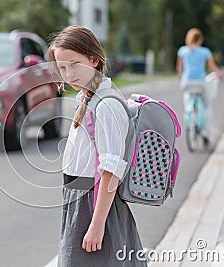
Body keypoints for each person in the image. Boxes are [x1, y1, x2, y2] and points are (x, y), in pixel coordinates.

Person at [48, 25, 147, 267]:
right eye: (62, 67)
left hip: (94, 205)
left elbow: (111, 169)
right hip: (80, 200)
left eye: (74, 64)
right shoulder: (87, 98)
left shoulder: (106, 105)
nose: (68, 73)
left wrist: (96, 224)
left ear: (94, 60)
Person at [176, 27, 224, 146]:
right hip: (200, 82)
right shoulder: (205, 52)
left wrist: (180, 76)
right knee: (207, 106)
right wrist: (219, 75)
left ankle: (189, 113)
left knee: (188, 98)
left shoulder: (182, 51)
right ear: (200, 39)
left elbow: (179, 68)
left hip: (186, 82)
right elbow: (212, 67)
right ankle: (205, 133)